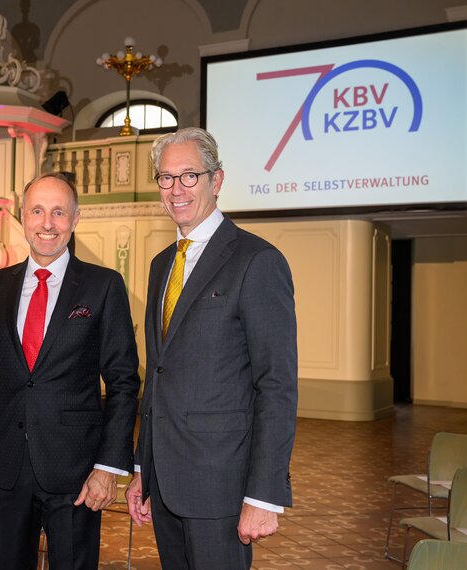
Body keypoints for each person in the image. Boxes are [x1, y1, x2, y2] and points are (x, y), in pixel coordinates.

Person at [125, 127, 298, 569]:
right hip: (164, 481)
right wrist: (143, 468)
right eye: (166, 178)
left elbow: (275, 385)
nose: (176, 189)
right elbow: (159, 375)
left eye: (189, 176)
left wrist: (264, 494)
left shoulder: (256, 261)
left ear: (216, 181)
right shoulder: (161, 264)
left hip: (222, 486)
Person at [0, 172, 140, 570]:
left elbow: (124, 383)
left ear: (75, 219)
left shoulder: (103, 286)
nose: (47, 223)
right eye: (38, 211)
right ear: (22, 217)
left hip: (76, 472)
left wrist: (108, 467)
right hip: (5, 468)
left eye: (59, 213)